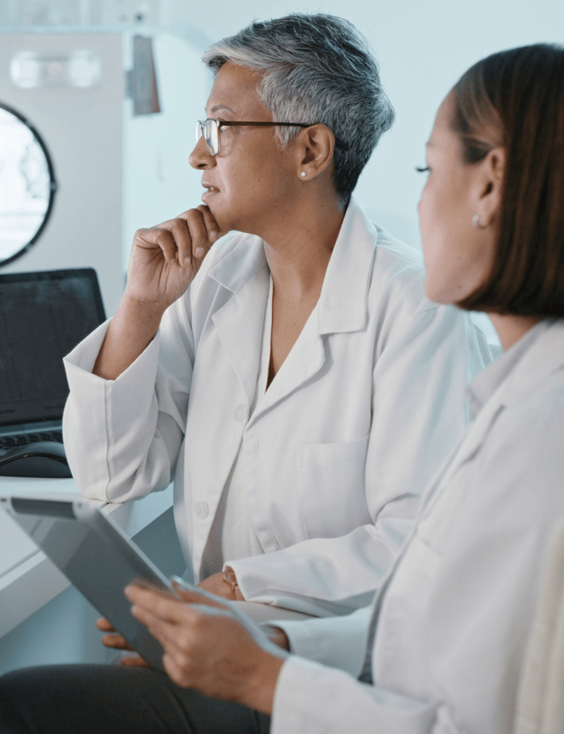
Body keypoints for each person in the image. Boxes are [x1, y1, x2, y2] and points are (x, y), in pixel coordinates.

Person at [0, 42, 564, 734]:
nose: (199, 156)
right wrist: (266, 645)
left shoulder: (557, 431)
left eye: (429, 170)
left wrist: (259, 662)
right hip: (310, 662)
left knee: (22, 707)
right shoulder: (560, 397)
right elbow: (422, 628)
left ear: (489, 187)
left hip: (330, 697)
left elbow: (455, 705)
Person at [62, 13, 491, 619]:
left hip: (336, 659)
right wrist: (141, 308)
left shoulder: (416, 310)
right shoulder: (215, 276)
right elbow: (111, 473)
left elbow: (418, 540)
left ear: (310, 150)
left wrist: (230, 594)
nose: (197, 155)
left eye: (220, 128)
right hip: (220, 634)